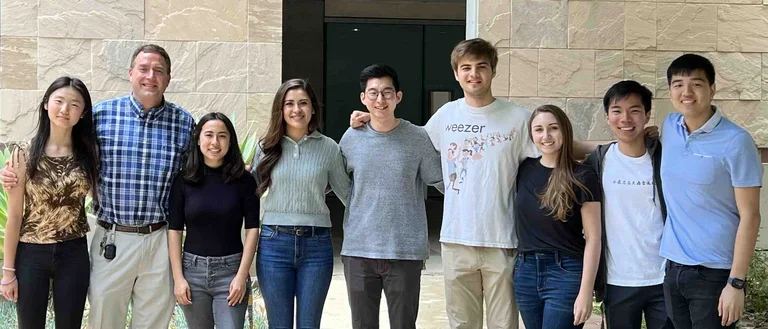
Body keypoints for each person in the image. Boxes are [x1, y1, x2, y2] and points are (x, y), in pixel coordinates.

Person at [349, 38, 601, 329]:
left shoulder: (518, 119)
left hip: (503, 242)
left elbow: (560, 144)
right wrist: (375, 116)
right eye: (466, 67)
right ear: (456, 74)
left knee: (502, 325)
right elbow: (407, 138)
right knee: (462, 325)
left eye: (481, 66)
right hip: (457, 241)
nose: (474, 73)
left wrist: (618, 144)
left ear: (493, 70)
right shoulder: (446, 116)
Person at [659, 54, 762, 329]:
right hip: (673, 268)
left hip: (714, 275)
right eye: (678, 84)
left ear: (712, 89)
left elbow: (750, 216)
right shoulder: (670, 127)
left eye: (696, 84)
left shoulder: (736, 142)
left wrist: (736, 283)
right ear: (670, 91)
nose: (687, 92)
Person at [339, 64, 443, 329]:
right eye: (372, 93)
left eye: (387, 92)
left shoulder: (418, 138)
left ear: (399, 96)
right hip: (359, 250)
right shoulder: (351, 137)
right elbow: (333, 180)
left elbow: (442, 180)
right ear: (363, 98)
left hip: (405, 252)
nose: (380, 99)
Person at [0, 77, 99, 329]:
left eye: (74, 105)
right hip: (32, 253)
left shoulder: (89, 154)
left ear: (83, 113)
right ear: (46, 104)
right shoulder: (23, 153)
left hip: (73, 252)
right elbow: (14, 217)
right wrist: (8, 272)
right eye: (59, 101)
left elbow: (99, 197)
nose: (65, 110)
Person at [252, 78, 351, 329]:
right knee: (279, 325)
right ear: (281, 109)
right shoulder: (265, 148)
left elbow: (350, 195)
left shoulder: (329, 148)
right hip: (274, 245)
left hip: (317, 246)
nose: (297, 110)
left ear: (313, 108)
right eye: (290, 104)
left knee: (310, 325)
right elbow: (246, 194)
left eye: (303, 103)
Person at [584, 80, 673, 329]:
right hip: (617, 280)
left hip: (663, 277)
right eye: (617, 111)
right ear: (607, 117)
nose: (626, 118)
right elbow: (565, 147)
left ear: (646, 115)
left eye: (634, 110)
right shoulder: (599, 160)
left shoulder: (666, 158)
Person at [514, 105, 601, 329]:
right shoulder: (524, 169)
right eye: (539, 129)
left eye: (553, 128)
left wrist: (585, 292)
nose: (546, 136)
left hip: (566, 271)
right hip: (525, 272)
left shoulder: (582, 175)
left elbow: (593, 239)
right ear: (531, 135)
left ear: (565, 130)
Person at [168, 112, 259, 329]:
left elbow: (253, 229)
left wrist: (241, 276)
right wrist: (178, 278)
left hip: (231, 271)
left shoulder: (244, 180)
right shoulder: (183, 180)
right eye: (209, 135)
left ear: (231, 140)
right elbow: (174, 231)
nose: (215, 143)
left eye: (222, 136)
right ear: (198, 138)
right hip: (192, 272)